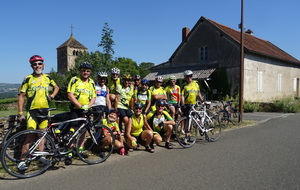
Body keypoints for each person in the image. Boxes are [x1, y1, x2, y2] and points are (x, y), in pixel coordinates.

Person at [17, 55, 59, 170]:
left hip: (45, 110)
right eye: (35, 64)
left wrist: (52, 96)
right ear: (31, 66)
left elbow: (56, 87)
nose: (37, 66)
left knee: (42, 135)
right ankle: (22, 160)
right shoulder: (28, 78)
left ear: (43, 65)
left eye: (39, 64)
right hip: (32, 111)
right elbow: (21, 96)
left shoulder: (48, 78)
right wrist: (20, 113)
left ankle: (41, 156)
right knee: (30, 136)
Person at [67, 62, 96, 157]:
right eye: (84, 70)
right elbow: (70, 95)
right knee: (74, 130)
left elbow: (93, 97)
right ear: (80, 71)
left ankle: (80, 150)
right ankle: (70, 151)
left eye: (88, 71)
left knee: (84, 130)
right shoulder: (75, 80)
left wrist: (88, 106)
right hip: (76, 109)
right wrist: (80, 106)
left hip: (86, 110)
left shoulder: (91, 82)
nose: (86, 72)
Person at [180, 70, 204, 141]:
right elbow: (182, 96)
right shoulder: (184, 85)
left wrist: (202, 100)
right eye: (187, 76)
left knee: (195, 119)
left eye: (190, 76)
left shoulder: (196, 84)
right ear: (185, 77)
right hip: (187, 105)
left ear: (192, 76)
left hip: (194, 104)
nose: (189, 77)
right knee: (188, 120)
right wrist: (183, 103)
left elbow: (198, 93)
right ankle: (187, 135)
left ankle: (201, 127)